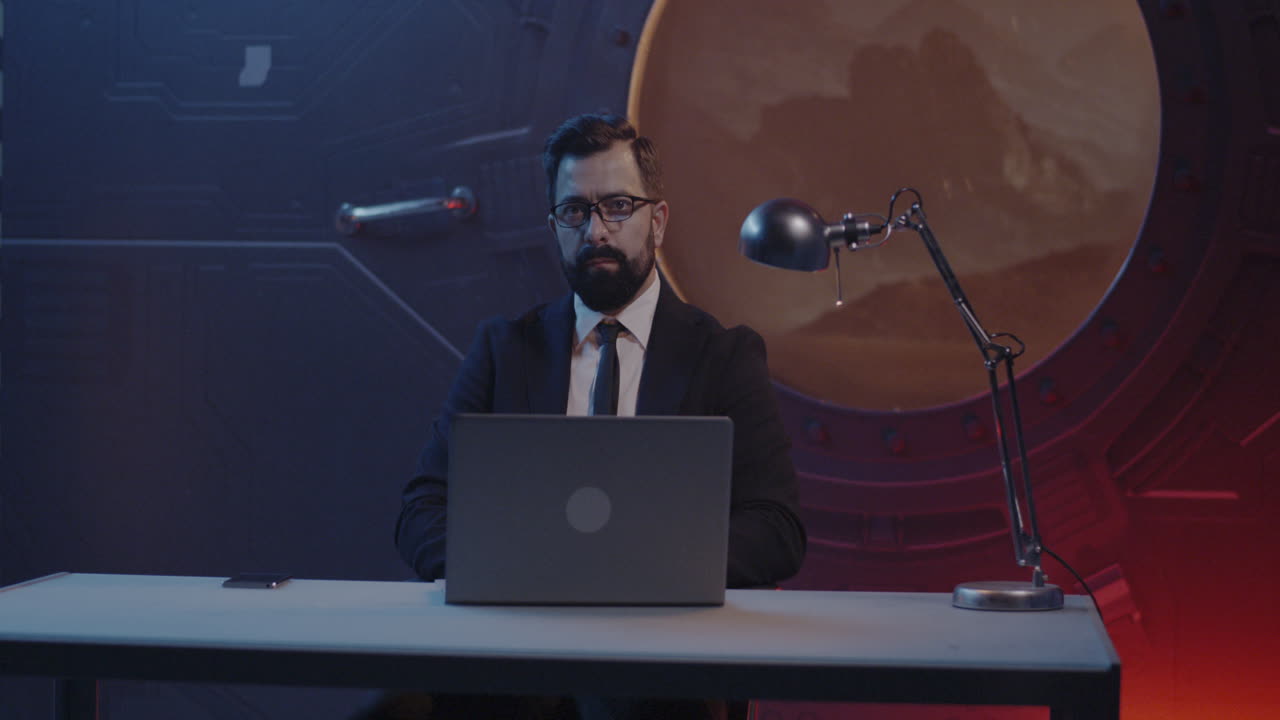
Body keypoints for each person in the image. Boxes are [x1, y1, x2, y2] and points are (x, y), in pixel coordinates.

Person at [391, 113, 806, 719]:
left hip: (665, 664)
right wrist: (509, 570)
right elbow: (421, 509)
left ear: (656, 221)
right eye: (574, 212)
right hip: (515, 659)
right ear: (555, 224)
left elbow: (777, 529)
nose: (595, 231)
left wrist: (638, 571)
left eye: (617, 206)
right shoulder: (504, 349)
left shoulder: (723, 356)